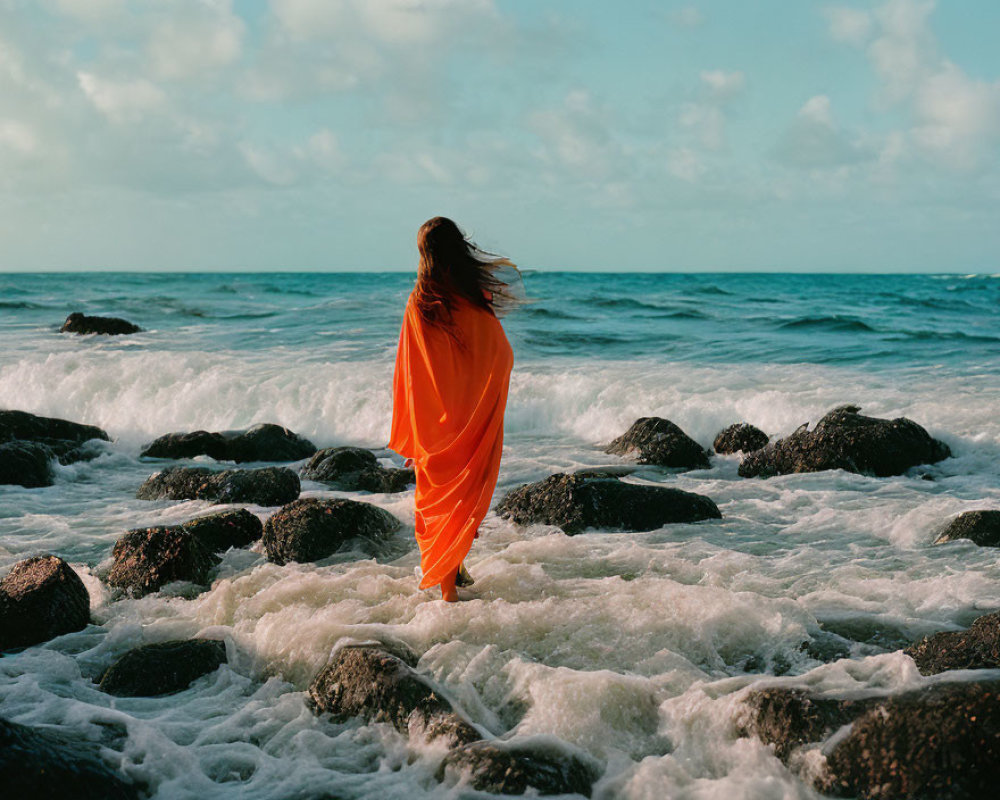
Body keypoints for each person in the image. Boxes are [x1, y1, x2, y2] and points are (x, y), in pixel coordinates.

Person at [388, 217, 521, 602]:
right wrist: (489, 395)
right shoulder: (474, 295)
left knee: (437, 504)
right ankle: (450, 583)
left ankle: (449, 586)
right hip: (472, 415)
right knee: (466, 498)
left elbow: (411, 374)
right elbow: (498, 350)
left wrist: (414, 431)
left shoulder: (420, 302)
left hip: (437, 423)